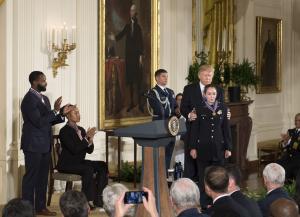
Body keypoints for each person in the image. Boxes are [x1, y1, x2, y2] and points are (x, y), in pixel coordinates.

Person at [21, 71, 70, 216]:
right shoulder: (29, 99)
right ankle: (27, 210)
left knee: (42, 178)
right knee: (31, 178)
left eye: (45, 80)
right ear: (35, 82)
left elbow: (48, 120)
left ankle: (40, 207)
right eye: (43, 80)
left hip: (44, 144)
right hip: (33, 145)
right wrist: (54, 110)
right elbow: (38, 121)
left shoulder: (44, 99)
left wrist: (61, 113)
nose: (46, 82)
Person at [57, 105, 108, 209]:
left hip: (79, 162)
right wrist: (86, 138)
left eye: (78, 112)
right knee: (88, 169)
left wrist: (90, 140)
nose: (78, 115)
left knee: (102, 165)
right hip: (67, 164)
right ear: (67, 115)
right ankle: (86, 201)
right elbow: (74, 149)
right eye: (75, 113)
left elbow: (89, 151)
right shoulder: (64, 131)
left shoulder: (81, 129)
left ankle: (98, 199)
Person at [189, 84, 232, 208]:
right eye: (209, 94)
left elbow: (226, 129)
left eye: (214, 94)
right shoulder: (199, 108)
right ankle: (204, 204)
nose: (212, 96)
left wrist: (228, 147)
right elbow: (194, 130)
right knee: (204, 178)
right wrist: (193, 147)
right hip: (203, 149)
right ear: (204, 95)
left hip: (219, 148)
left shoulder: (223, 108)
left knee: (219, 177)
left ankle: (218, 203)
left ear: (217, 95)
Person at [180, 64, 225, 181]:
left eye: (210, 75)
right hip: (193, 130)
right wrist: (190, 115)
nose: (208, 77)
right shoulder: (189, 89)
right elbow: (183, 107)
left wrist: (227, 113)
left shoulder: (218, 89)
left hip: (210, 134)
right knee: (191, 161)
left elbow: (222, 107)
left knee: (209, 167)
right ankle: (189, 188)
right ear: (199, 75)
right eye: (205, 75)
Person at [109, 4, 144, 112]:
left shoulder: (138, 27)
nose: (131, 12)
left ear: (135, 13)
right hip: (129, 58)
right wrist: (114, 37)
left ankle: (140, 105)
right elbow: (121, 35)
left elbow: (141, 42)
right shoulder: (128, 26)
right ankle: (132, 103)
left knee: (138, 82)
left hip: (136, 58)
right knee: (130, 81)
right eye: (130, 10)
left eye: (133, 10)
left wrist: (141, 56)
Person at [147, 69, 176, 169]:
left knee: (169, 154)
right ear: (157, 78)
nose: (166, 78)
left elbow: (175, 108)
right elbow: (159, 110)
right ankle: (159, 179)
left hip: (171, 127)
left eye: (167, 76)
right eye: (163, 76)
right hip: (160, 126)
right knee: (160, 155)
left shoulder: (170, 92)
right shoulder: (152, 93)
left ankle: (166, 178)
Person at [277, 113, 300, 181]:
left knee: (286, 168)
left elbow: (298, 146)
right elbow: (282, 146)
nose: (296, 122)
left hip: (297, 158)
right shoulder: (290, 131)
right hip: (288, 156)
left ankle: (286, 188)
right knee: (277, 165)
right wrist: (284, 143)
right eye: (296, 120)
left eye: (299, 120)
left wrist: (289, 141)